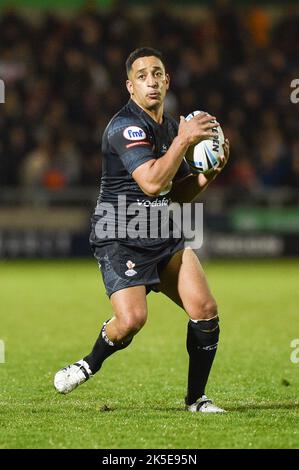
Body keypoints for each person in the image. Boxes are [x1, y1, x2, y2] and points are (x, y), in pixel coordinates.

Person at [54, 47, 230, 413]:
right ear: (130, 87)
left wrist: (206, 174)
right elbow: (151, 183)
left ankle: (196, 399)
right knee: (132, 320)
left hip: (162, 232)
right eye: (142, 76)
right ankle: (89, 362)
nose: (151, 81)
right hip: (119, 236)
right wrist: (183, 141)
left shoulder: (168, 126)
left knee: (206, 309)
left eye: (157, 73)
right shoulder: (125, 127)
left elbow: (174, 193)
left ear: (167, 81)